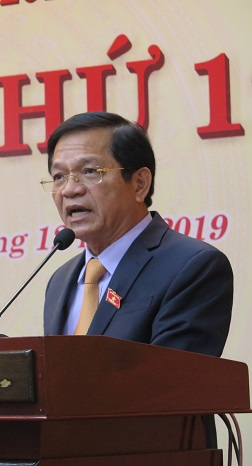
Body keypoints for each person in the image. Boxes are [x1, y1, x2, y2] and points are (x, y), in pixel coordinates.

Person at [42, 111, 233, 358]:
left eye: (89, 171)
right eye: (59, 176)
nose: (69, 189)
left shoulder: (192, 267)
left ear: (140, 183)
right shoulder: (60, 281)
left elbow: (173, 377)